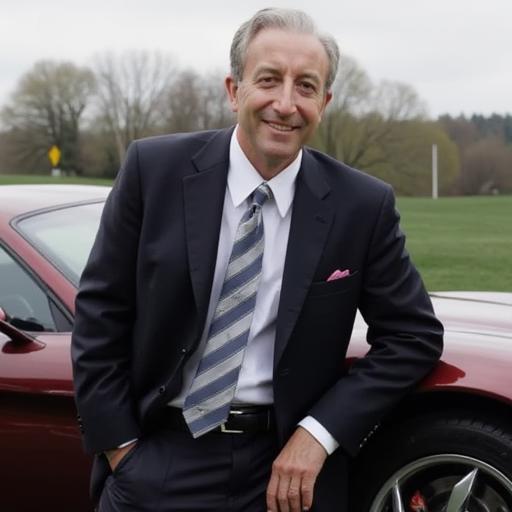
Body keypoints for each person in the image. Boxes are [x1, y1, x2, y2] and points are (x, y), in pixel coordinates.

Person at [71, 7, 443, 512]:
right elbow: (100, 314)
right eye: (268, 80)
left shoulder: (363, 206)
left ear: (325, 102)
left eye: (306, 86)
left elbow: (413, 335)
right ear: (234, 90)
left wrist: (319, 434)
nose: (285, 104)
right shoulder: (151, 171)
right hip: (159, 458)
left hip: (288, 474)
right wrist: (122, 451)